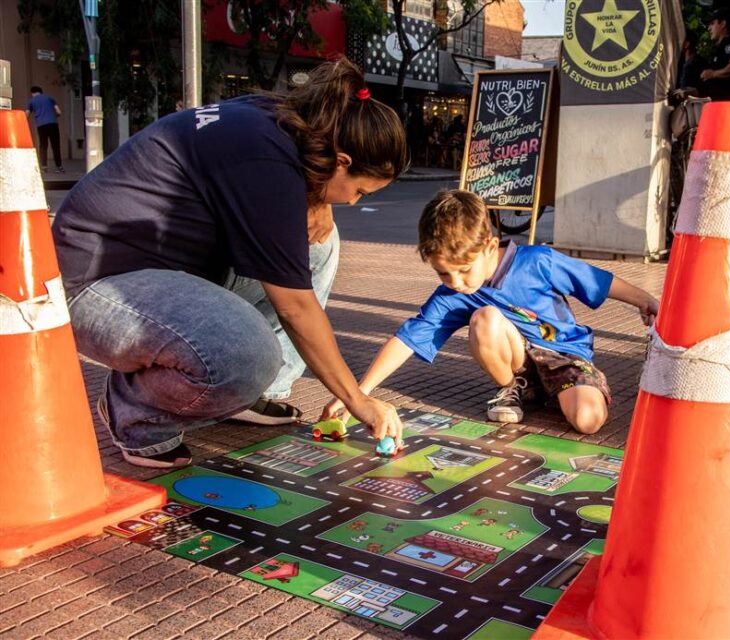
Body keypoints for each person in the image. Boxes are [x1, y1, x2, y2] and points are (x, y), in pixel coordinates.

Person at [52, 58, 409, 468]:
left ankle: (250, 395)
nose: (351, 202)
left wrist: (315, 198)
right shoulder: (267, 165)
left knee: (318, 244)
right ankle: (135, 411)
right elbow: (296, 308)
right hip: (97, 285)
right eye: (360, 191)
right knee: (244, 355)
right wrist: (357, 400)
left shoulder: (275, 122)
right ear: (341, 160)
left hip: (160, 267)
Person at [322, 189, 660, 434]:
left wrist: (645, 300)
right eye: (443, 273)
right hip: (518, 363)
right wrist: (357, 394)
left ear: (488, 246)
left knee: (588, 421)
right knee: (484, 318)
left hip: (563, 356)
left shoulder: (537, 262)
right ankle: (515, 388)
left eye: (463, 270)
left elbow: (597, 281)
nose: (455, 282)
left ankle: (569, 388)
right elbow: (408, 338)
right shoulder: (453, 294)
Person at [25, 86, 64, 173]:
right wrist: (54, 116)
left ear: (33, 93)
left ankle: (44, 167)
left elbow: (26, 115)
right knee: (55, 145)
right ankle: (59, 167)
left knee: (43, 146)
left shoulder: (31, 101)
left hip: (41, 125)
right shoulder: (50, 98)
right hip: (53, 124)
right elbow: (58, 112)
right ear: (41, 92)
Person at [677, 29, 706, 95]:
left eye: (679, 40)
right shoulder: (680, 62)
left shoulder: (700, 63)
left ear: (686, 44)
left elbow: (703, 89)